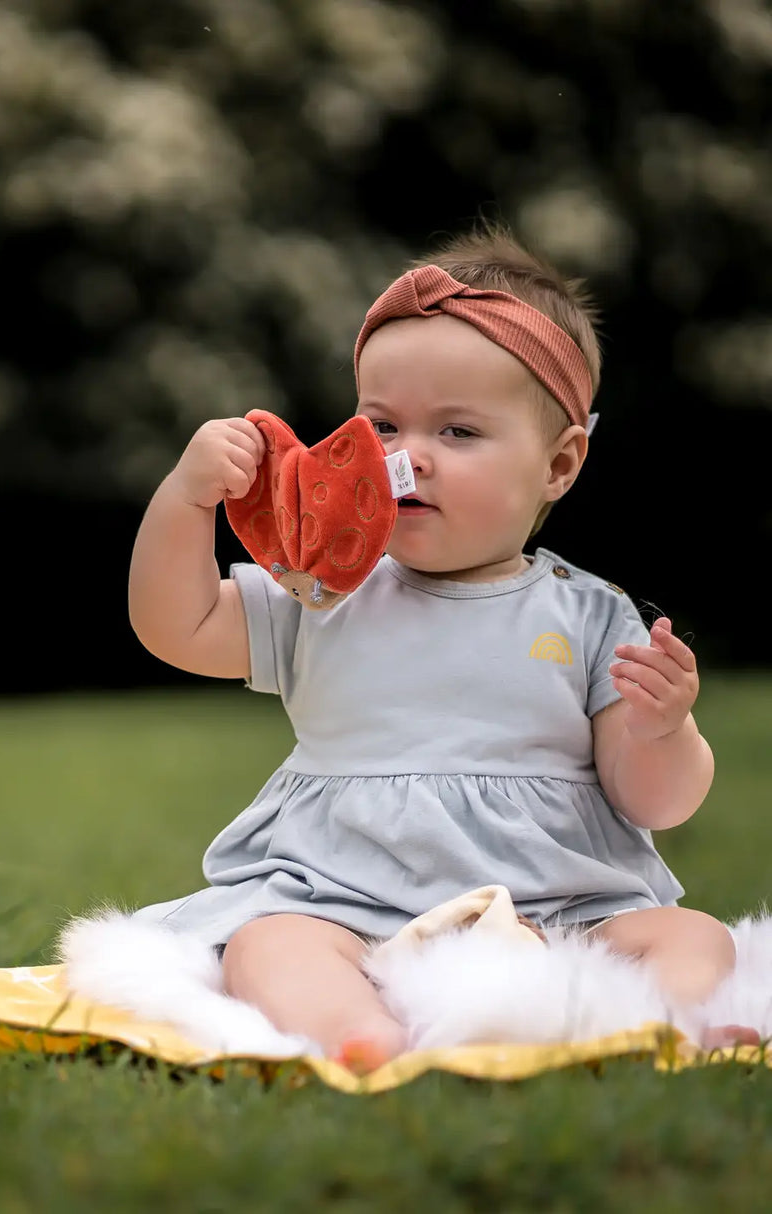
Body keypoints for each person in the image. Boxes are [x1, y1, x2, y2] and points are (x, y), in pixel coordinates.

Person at [125, 223, 755, 1070]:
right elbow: (178, 627)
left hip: (553, 903)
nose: (406, 458)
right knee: (268, 945)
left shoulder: (591, 616)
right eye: (382, 424)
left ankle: (662, 1025)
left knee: (692, 936)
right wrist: (187, 498)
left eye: (457, 433)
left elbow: (655, 804)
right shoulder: (324, 588)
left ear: (559, 465)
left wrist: (662, 731)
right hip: (345, 895)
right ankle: (358, 1033)